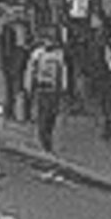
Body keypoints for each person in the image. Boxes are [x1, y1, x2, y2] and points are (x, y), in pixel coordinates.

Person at [24, 34, 67, 162]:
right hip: (42, 89)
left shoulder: (58, 55)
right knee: (43, 115)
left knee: (51, 115)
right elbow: (31, 70)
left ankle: (47, 138)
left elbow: (63, 71)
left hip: (53, 90)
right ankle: (45, 142)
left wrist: (64, 88)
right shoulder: (38, 54)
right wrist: (29, 86)